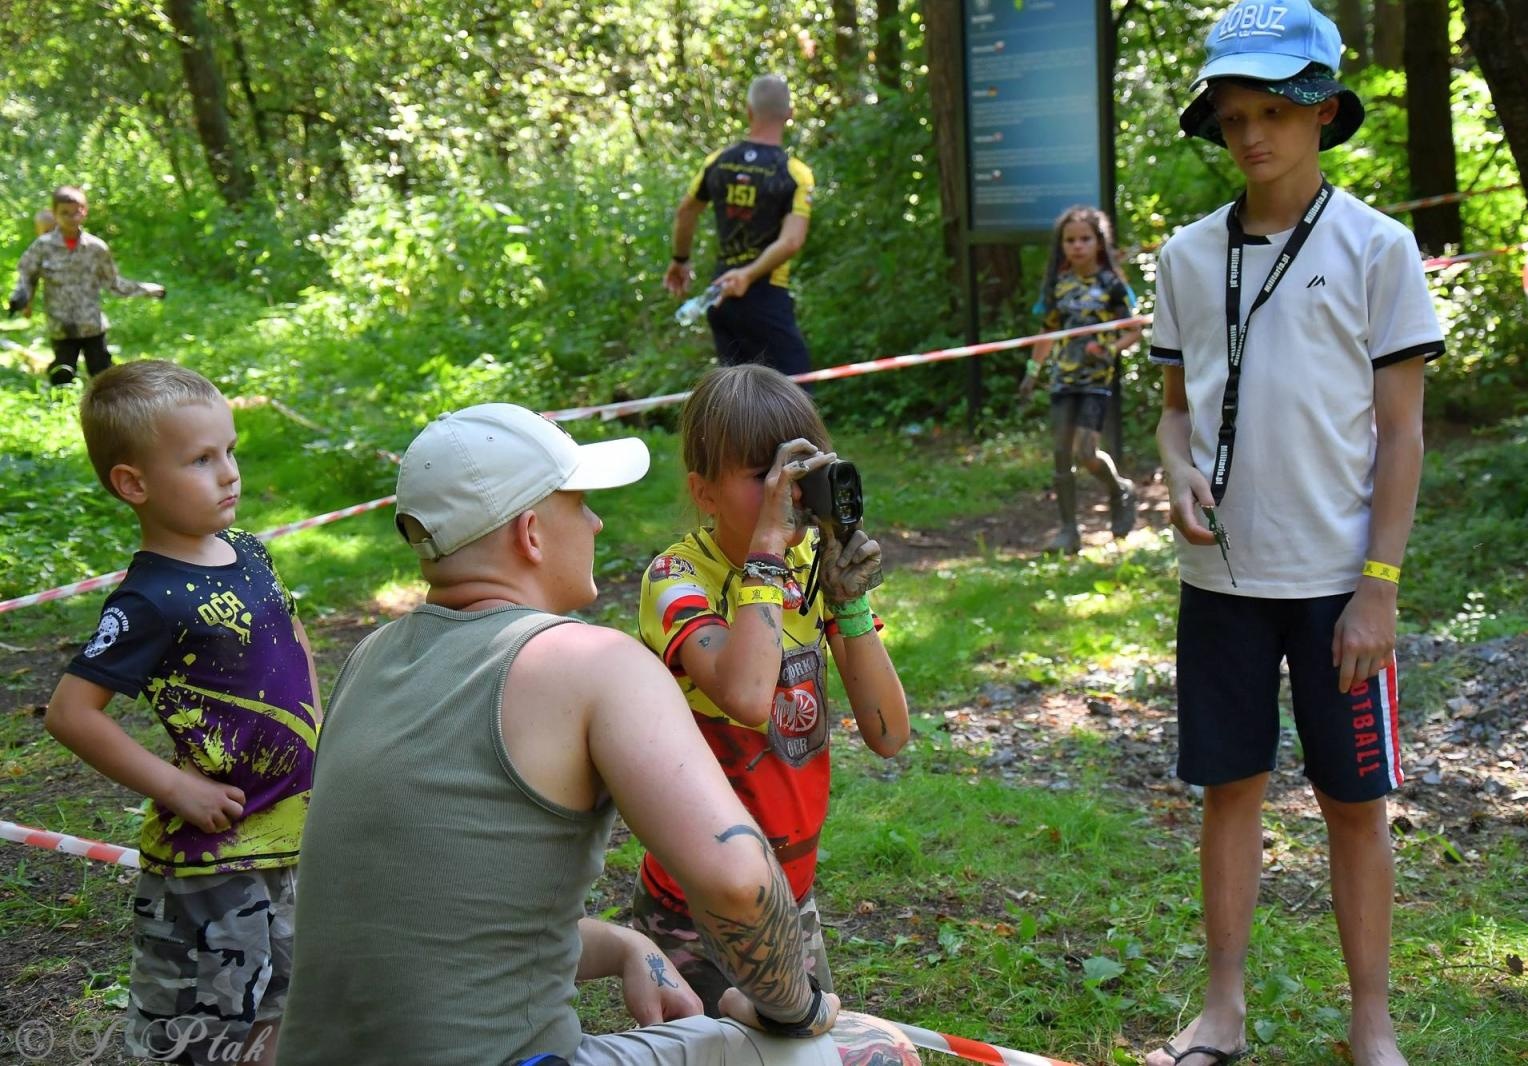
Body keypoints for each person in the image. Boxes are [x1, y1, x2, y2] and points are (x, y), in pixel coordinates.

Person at [277, 403, 917, 1066]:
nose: (596, 520)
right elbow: (737, 885)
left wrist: (624, 944)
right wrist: (799, 1007)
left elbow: (432, 924)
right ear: (531, 533)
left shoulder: (368, 659)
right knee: (876, 1053)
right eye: (579, 502)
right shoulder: (588, 662)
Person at [1145, 2, 1444, 1064]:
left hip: (1336, 582)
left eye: (1272, 110)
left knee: (1352, 801)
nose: (1250, 136)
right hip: (1218, 579)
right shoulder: (1183, 258)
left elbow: (1402, 433)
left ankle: (1372, 1023)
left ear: (1321, 111)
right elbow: (1176, 409)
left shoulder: (1377, 248)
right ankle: (1221, 1009)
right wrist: (1176, 467)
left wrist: (1378, 583)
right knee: (1229, 788)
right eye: (1231, 117)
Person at [43, 360, 321, 1065]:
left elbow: (293, 636)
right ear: (133, 483)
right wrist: (177, 789)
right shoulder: (149, 599)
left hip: (294, 835)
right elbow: (73, 713)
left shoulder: (252, 553)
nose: (228, 472)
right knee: (200, 1030)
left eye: (229, 451)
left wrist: (324, 725)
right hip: (212, 864)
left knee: (284, 1004)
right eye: (200, 460)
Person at [633, 364, 909, 1013]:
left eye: (802, 470)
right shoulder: (677, 578)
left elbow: (889, 734)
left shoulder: (806, 570)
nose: (788, 493)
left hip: (790, 892)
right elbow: (747, 696)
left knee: (804, 1049)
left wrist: (847, 605)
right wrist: (764, 559)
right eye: (764, 475)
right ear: (703, 491)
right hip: (695, 903)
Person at [664, 74, 815, 377]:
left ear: (749, 111)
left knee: (737, 397)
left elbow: (686, 212)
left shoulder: (718, 162)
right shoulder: (794, 173)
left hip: (721, 293)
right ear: (789, 114)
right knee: (796, 392)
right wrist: (747, 274)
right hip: (766, 292)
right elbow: (791, 241)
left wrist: (680, 260)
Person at [1017, 204, 1143, 554]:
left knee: (1087, 452)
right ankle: (1068, 531)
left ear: (1099, 243)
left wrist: (1110, 349)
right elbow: (1047, 331)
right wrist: (1032, 372)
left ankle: (1119, 489)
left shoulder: (1111, 284)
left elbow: (1134, 331)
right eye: (1070, 240)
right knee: (1060, 453)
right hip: (1062, 380)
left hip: (1095, 382)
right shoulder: (1058, 285)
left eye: (1085, 239)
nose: (1077, 246)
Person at [7, 185, 165, 386]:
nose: (72, 217)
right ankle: (61, 410)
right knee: (62, 375)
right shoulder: (43, 246)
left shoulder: (96, 248)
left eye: (77, 211)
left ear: (85, 212)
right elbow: (26, 275)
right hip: (61, 324)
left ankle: (106, 414)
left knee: (103, 377)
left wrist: (148, 290)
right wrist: (21, 297)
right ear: (54, 214)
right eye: (65, 213)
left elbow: (114, 283)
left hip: (91, 324)